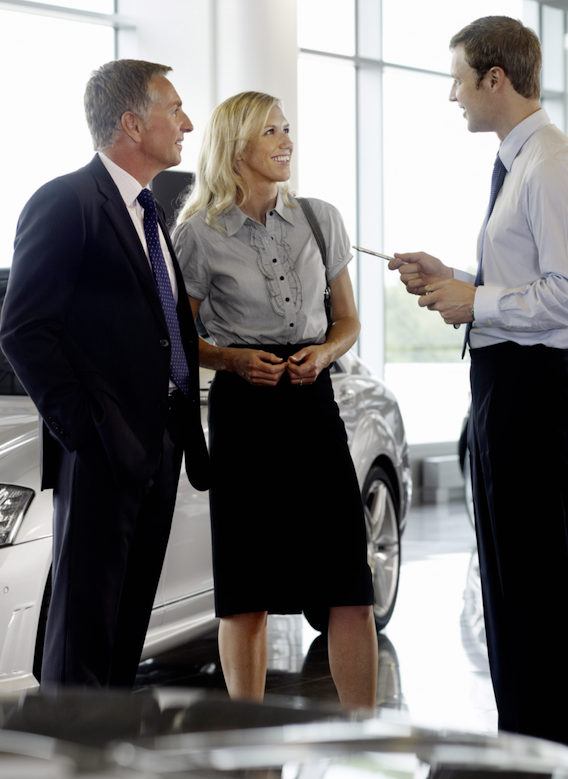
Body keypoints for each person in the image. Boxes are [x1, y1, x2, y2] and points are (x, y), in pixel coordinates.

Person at [388, 17, 568, 753]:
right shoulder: (522, 164)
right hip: (506, 393)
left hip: (534, 396)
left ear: (495, 78)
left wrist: (475, 300)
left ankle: (554, 760)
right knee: (512, 602)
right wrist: (456, 280)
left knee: (537, 605)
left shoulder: (550, 165)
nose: (452, 94)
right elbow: (532, 282)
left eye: (458, 78)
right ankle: (530, 754)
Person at [0, 59, 209, 688]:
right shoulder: (65, 203)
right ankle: (73, 755)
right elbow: (25, 331)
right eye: (174, 111)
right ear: (131, 122)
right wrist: (88, 436)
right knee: (84, 634)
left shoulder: (154, 210)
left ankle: (110, 751)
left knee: (126, 626)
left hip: (161, 443)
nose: (188, 124)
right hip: (102, 449)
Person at [171, 91, 378, 709]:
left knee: (347, 581)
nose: (286, 140)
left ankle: (363, 733)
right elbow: (183, 341)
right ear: (236, 146)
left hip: (315, 406)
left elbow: (347, 320)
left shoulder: (321, 218)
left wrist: (325, 353)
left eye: (287, 129)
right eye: (270, 131)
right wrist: (230, 359)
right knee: (246, 584)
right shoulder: (198, 235)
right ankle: (247, 736)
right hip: (243, 412)